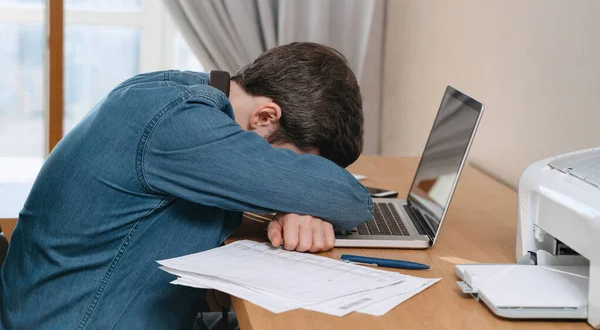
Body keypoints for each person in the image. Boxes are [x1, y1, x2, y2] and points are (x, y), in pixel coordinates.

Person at [0, 42, 373, 329]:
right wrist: (301, 193)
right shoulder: (180, 123)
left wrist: (291, 198)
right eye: (291, 160)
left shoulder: (179, 90)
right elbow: (353, 201)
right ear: (265, 117)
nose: (280, 171)